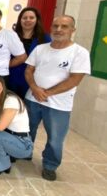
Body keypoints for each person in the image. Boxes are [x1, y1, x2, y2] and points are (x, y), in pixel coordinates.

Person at [24, 15, 90, 181]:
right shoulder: (40, 49)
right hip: (32, 99)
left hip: (59, 105)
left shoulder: (80, 52)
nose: (59, 30)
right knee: (26, 131)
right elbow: (29, 70)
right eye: (55, 26)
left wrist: (46, 93)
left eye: (64, 26)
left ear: (72, 30)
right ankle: (24, 154)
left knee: (55, 138)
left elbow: (75, 79)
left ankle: (50, 165)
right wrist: (34, 88)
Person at [0, 72, 33, 175]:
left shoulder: (11, 100)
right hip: (9, 136)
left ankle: (0, 166)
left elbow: (0, 126)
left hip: (22, 143)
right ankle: (4, 159)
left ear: (2, 83)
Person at [8, 7, 51, 99]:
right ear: (20, 20)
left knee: (27, 109)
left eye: (31, 18)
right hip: (11, 78)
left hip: (32, 80)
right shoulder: (11, 36)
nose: (28, 20)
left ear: (37, 20)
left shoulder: (45, 39)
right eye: (24, 18)